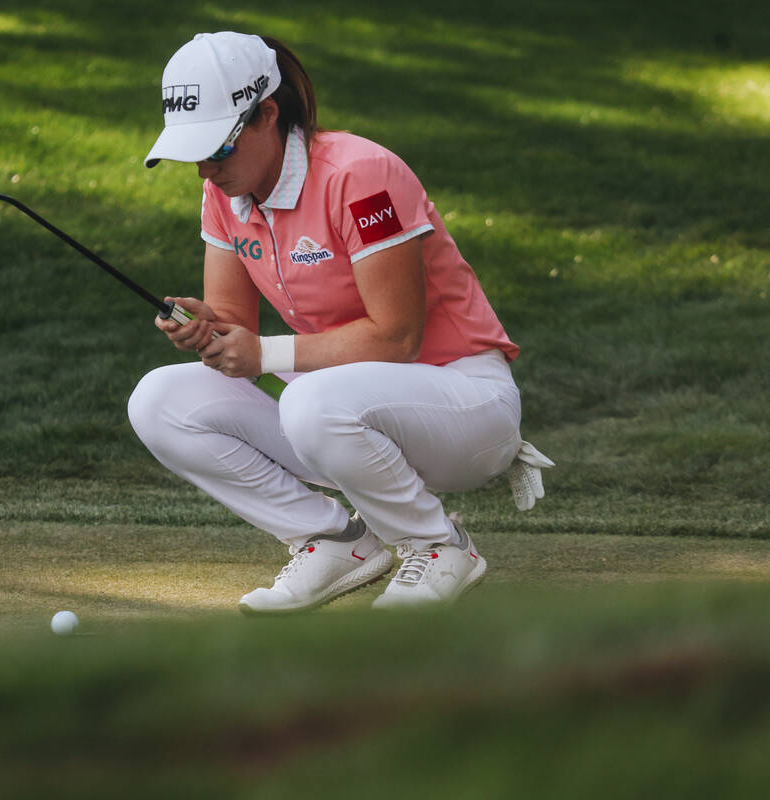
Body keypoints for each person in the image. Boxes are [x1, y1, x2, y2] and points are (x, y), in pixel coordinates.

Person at [128, 31, 553, 614]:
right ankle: (336, 542)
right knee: (157, 399)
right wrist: (206, 329)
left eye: (217, 149)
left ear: (267, 114)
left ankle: (438, 546)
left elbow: (396, 337)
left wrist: (265, 355)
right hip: (342, 417)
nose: (205, 168)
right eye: (193, 153)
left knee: (310, 401)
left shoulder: (362, 175)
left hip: (465, 407)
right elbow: (232, 324)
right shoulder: (224, 196)